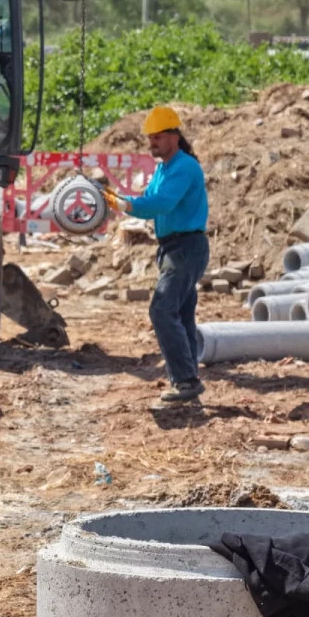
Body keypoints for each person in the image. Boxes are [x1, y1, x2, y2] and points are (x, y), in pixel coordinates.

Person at [118, 106, 211, 402]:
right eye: (150, 138)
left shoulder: (184, 167)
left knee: (162, 308)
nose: (152, 143)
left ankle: (185, 380)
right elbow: (148, 200)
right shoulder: (164, 168)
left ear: (174, 135)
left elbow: (162, 203)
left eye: (157, 137)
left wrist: (124, 205)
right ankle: (187, 379)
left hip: (185, 247)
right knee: (181, 314)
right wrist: (121, 200)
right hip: (174, 247)